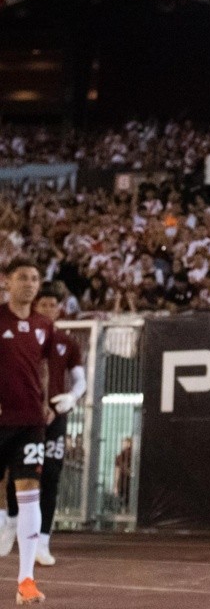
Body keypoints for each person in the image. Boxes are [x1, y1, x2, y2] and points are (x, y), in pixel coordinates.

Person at [3, 283, 86, 567]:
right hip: (21, 415)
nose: (49, 310)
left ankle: (43, 541)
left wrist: (71, 399)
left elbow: (79, 379)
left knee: (49, 475)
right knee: (17, 474)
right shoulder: (21, 332)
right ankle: (11, 520)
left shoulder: (66, 341)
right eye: (44, 305)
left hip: (54, 418)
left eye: (54, 305)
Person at [0, 257, 55, 605]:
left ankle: (25, 580)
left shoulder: (43, 325)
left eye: (35, 278)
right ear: (7, 281)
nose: (30, 284)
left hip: (30, 422)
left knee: (29, 491)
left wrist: (45, 402)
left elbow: (44, 367)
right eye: (23, 278)